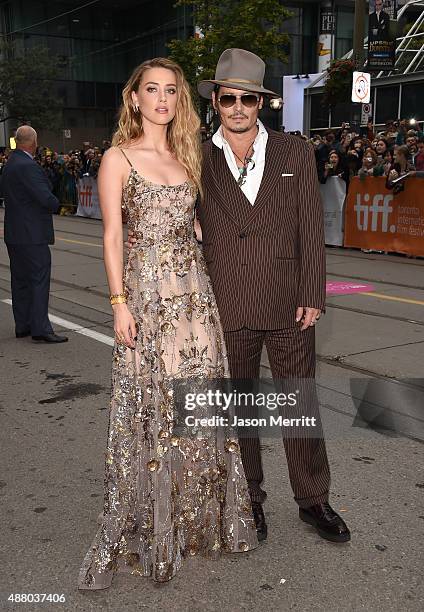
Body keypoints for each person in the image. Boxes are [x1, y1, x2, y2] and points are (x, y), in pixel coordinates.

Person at [129, 48, 350, 545]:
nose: (236, 107)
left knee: (299, 403)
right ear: (216, 102)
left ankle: (314, 498)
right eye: (227, 97)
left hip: (289, 300)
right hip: (225, 303)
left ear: (261, 103)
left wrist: (313, 290)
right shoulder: (195, 159)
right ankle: (249, 497)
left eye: (246, 99)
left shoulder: (295, 153)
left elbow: (311, 231)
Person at [77, 57, 258, 591]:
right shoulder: (117, 158)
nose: (161, 98)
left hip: (194, 299)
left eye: (171, 91)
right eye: (151, 90)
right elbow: (113, 235)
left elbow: (192, 221)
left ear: (180, 100)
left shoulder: (186, 157)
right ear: (134, 97)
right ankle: (155, 524)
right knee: (153, 408)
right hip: (147, 298)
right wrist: (118, 302)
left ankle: (196, 520)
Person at [1, 126, 68, 343]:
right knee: (38, 279)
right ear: (33, 142)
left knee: (20, 280)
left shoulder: (10, 164)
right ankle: (40, 327)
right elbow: (46, 198)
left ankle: (24, 324)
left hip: (15, 232)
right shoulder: (28, 166)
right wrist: (56, 203)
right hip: (32, 234)